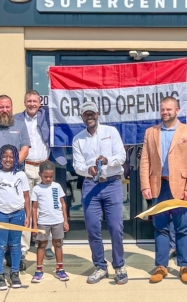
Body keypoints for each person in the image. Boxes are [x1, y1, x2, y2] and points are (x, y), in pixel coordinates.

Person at [140, 96, 187, 285]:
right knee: (160, 228)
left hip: (181, 188)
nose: (165, 112)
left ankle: (184, 266)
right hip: (159, 187)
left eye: (169, 109)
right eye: (163, 109)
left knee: (182, 228)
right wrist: (145, 185)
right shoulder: (151, 132)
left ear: (177, 110)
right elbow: (144, 161)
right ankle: (161, 266)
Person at [72, 101, 128, 284]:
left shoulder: (111, 132)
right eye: (86, 114)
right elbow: (77, 165)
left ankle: (119, 265)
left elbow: (121, 157)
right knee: (93, 228)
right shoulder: (78, 139)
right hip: (91, 186)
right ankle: (100, 266)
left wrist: (107, 160)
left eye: (92, 113)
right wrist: (89, 170)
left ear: (98, 114)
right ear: (82, 117)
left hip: (112, 184)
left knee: (115, 227)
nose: (90, 117)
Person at [14, 90, 68, 265]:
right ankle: (23, 248)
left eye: (35, 101)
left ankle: (49, 245)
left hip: (44, 167)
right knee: (26, 208)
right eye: (29, 101)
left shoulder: (47, 116)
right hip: (25, 166)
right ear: (24, 102)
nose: (32, 104)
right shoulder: (16, 119)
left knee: (48, 207)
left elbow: (59, 107)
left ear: (40, 103)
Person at [0, 95, 31, 274]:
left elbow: (25, 147)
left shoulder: (19, 124)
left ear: (12, 107)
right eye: (1, 107)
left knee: (14, 218)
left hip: (15, 177)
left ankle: (12, 258)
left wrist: (15, 164)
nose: (4, 110)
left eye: (7, 107)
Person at [0, 144, 30, 291]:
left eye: (11, 157)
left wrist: (28, 215)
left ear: (16, 158)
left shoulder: (21, 175)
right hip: (0, 214)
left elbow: (26, 196)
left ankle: (15, 273)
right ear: (0, 158)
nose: (8, 159)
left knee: (16, 245)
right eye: (5, 156)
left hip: (18, 214)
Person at [30, 161, 70, 283]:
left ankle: (60, 269)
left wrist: (65, 220)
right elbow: (34, 207)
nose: (48, 179)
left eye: (51, 176)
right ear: (40, 174)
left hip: (58, 220)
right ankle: (39, 270)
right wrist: (35, 224)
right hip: (43, 221)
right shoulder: (37, 189)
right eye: (45, 176)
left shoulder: (57, 186)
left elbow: (62, 203)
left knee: (58, 244)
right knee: (41, 245)